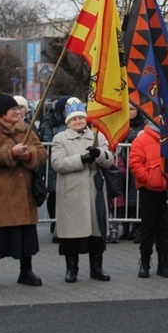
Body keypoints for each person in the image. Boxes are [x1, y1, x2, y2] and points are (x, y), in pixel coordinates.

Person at [0, 93, 48, 290]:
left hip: (23, 194)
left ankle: (26, 271)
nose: (18, 112)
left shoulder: (26, 129)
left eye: (18, 108)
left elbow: (41, 152)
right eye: (13, 109)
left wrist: (29, 155)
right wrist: (10, 153)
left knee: (24, 234)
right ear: (2, 113)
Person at [51, 98, 115, 283]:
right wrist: (82, 159)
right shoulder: (60, 139)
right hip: (72, 193)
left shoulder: (97, 136)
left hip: (94, 191)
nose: (78, 122)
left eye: (80, 118)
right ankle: (72, 269)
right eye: (74, 119)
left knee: (96, 234)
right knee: (72, 236)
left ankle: (97, 268)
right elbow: (58, 163)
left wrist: (99, 155)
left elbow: (109, 159)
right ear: (68, 122)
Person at [128, 117, 168, 278]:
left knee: (166, 229)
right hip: (148, 191)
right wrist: (148, 179)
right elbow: (135, 163)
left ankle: (165, 263)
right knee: (147, 228)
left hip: (167, 191)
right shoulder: (141, 140)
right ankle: (145, 262)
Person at [109, 103, 145, 243]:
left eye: (132, 109)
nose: (129, 112)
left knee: (135, 199)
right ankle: (124, 227)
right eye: (127, 109)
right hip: (122, 166)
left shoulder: (142, 126)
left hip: (136, 166)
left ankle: (137, 228)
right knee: (122, 197)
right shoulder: (121, 125)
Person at [38, 95, 70, 242]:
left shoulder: (78, 122)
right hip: (54, 166)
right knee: (55, 194)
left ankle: (67, 225)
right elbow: (46, 142)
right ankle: (55, 223)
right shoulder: (51, 123)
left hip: (71, 165)